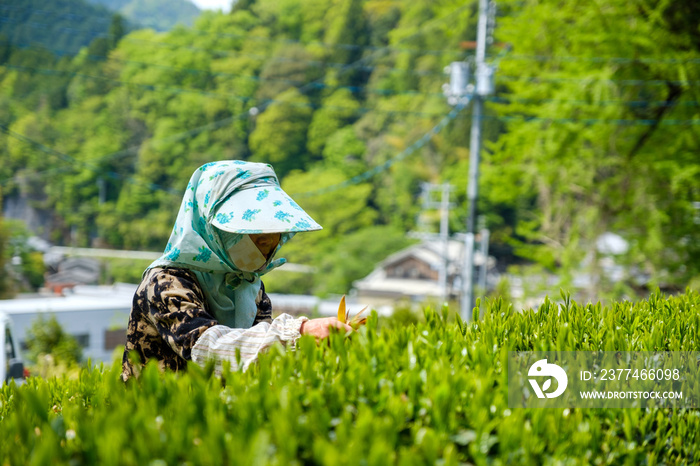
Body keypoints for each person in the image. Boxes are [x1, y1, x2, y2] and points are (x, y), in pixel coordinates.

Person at [121, 160, 352, 381]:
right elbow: (207, 348)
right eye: (252, 229)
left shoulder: (248, 284)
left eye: (274, 229)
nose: (270, 241)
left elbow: (260, 356)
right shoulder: (166, 284)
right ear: (212, 228)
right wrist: (297, 333)